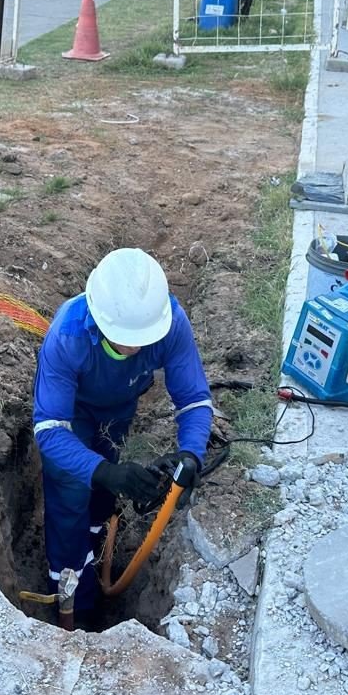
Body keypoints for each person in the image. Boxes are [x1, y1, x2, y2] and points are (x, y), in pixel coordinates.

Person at [32, 248, 213, 622]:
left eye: (141, 339)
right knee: (71, 495)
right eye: (123, 339)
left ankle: (96, 552)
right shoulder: (67, 336)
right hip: (74, 413)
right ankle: (73, 607)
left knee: (102, 489)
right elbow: (50, 431)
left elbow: (194, 400)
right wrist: (105, 472)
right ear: (100, 319)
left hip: (119, 409)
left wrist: (191, 455)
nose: (134, 347)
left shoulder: (169, 323)